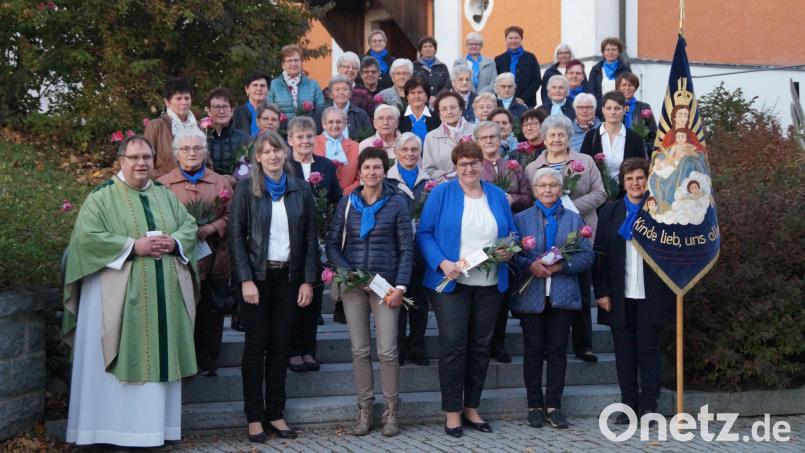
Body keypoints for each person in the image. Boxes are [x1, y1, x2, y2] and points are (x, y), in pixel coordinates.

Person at [63, 135, 198, 447]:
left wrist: (174, 241)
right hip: (114, 298)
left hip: (163, 299)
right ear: (121, 160)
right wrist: (131, 246)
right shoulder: (102, 196)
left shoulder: (165, 194)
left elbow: (188, 226)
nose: (141, 164)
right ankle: (105, 430)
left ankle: (154, 431)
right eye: (135, 157)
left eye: (147, 158)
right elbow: (85, 239)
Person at [416, 141, 518, 438]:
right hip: (452, 283)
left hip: (489, 285)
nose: (470, 168)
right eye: (463, 164)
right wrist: (442, 262)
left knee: (480, 346)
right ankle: (451, 412)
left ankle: (472, 407)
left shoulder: (497, 195)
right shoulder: (441, 193)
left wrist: (508, 250)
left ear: (482, 165)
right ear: (455, 166)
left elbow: (511, 233)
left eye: (474, 163)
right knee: (453, 346)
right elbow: (424, 233)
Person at [229, 130, 318, 443]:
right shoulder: (245, 189)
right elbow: (236, 238)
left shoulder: (301, 190)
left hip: (289, 280)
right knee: (256, 347)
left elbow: (309, 240)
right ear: (257, 157)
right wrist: (246, 279)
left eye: (277, 150)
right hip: (257, 280)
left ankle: (276, 413)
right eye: (266, 151)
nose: (273, 156)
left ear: (285, 153)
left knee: (281, 346)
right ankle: (254, 417)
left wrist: (308, 280)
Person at [325, 147, 414, 437]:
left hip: (386, 287)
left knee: (387, 350)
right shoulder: (348, 202)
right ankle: (365, 409)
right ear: (360, 172)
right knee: (360, 350)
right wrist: (349, 272)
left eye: (377, 167)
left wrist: (400, 286)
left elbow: (406, 248)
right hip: (354, 286)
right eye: (367, 168)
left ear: (383, 171)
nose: (372, 172)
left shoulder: (397, 203)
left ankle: (391, 411)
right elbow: (332, 244)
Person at [511, 167, 594, 429]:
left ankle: (554, 405)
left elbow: (587, 256)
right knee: (533, 351)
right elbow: (512, 253)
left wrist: (562, 267)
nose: (548, 190)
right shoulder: (521, 219)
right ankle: (534, 404)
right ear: (534, 190)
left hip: (563, 295)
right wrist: (528, 265)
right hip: (531, 295)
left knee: (558, 352)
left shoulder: (573, 219)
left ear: (561, 189)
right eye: (542, 186)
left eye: (553, 186)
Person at [593, 158, 674, 423]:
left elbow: (673, 255)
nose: (635, 183)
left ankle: (649, 405)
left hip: (652, 295)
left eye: (640, 178)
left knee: (648, 351)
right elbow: (600, 255)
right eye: (629, 179)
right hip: (620, 295)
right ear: (623, 182)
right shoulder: (610, 212)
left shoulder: (661, 212)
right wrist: (602, 292)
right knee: (624, 354)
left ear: (647, 181)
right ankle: (628, 405)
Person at [525, 115, 606, 362]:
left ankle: (583, 344)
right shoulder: (532, 168)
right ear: (544, 138)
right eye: (552, 135)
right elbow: (534, 202)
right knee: (547, 295)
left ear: (569, 137)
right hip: (543, 240)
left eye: (561, 134)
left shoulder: (585, 161)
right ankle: (550, 344)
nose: (557, 139)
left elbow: (601, 193)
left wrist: (569, 207)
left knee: (580, 291)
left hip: (579, 234)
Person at [158, 129, 233, 377]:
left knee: (211, 312)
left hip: (214, 257)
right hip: (180, 260)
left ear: (204, 152)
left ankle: (208, 360)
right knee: (183, 310)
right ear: (177, 154)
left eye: (197, 148)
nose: (192, 153)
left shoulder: (220, 182)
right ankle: (183, 361)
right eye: (186, 149)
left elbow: (233, 215)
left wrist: (213, 226)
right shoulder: (164, 184)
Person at [286, 116, 342, 372]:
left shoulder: (326, 165)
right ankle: (292, 350)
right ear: (290, 140)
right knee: (293, 298)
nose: (305, 141)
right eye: (300, 137)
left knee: (314, 297)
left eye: (309, 136)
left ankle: (308, 349)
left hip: (318, 242)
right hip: (289, 243)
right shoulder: (284, 165)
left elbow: (336, 200)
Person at [385, 133, 431, 367]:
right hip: (396, 252)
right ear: (396, 152)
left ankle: (417, 346)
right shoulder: (387, 180)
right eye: (405, 150)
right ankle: (399, 347)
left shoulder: (429, 181)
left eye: (415, 150)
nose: (410, 154)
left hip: (422, 251)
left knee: (420, 303)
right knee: (398, 302)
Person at [580, 91, 647, 195]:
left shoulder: (634, 138)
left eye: (617, 108)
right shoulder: (591, 136)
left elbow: (641, 168)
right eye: (608, 108)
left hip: (626, 196)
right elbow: (584, 167)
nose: (613, 112)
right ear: (602, 110)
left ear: (624, 110)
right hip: (597, 195)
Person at [145, 77, 197, 177]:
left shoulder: (198, 126)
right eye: (178, 98)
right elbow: (146, 164)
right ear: (167, 102)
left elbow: (207, 162)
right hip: (166, 187)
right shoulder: (155, 127)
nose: (184, 102)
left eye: (187, 98)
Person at [422, 91, 475, 180]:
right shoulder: (431, 137)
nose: (449, 112)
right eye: (444, 109)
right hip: (446, 186)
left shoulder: (476, 131)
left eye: (453, 107)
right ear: (439, 114)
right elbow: (428, 170)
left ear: (461, 110)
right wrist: (449, 177)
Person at [267, 44, 325, 121]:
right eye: (289, 61)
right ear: (283, 65)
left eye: (296, 60)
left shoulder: (313, 85)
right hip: (280, 130)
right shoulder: (273, 85)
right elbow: (267, 109)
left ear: (302, 63)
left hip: (307, 130)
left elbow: (321, 110)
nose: (293, 64)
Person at [313, 107, 361, 195]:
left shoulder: (356, 147)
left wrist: (344, 194)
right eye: (330, 122)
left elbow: (360, 177)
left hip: (347, 198)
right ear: (324, 124)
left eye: (338, 122)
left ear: (345, 124)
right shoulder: (312, 143)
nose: (335, 126)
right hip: (317, 198)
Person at [204, 87, 251, 175]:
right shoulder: (200, 138)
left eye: (225, 107)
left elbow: (247, 167)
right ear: (209, 111)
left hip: (237, 186)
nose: (221, 111)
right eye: (216, 107)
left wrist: (234, 179)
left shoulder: (244, 139)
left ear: (232, 110)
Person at [314, 75, 373, 141]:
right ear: (331, 94)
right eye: (337, 89)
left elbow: (369, 138)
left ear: (350, 93)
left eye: (345, 89)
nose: (341, 92)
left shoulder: (361, 114)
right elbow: (315, 138)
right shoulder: (321, 113)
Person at [494, 26, 541, 107]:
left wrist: (523, 98)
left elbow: (537, 80)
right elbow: (496, 81)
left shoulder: (530, 57)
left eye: (516, 38)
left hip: (527, 103)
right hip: (503, 102)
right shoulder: (499, 59)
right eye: (510, 38)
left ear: (521, 39)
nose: (513, 41)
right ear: (506, 40)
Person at [617, 72, 657, 156]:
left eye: (630, 85)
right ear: (619, 87)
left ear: (635, 87)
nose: (627, 88)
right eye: (623, 85)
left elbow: (654, 133)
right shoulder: (613, 107)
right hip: (618, 150)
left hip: (639, 151)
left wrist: (645, 147)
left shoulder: (644, 107)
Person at [588, 37, 632, 107]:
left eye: (614, 50)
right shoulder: (596, 70)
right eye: (608, 50)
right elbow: (591, 91)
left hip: (620, 107)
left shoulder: (625, 70)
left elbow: (629, 89)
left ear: (619, 52)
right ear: (603, 52)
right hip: (600, 108)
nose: (610, 52)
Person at [398, 77, 441, 145]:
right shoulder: (399, 118)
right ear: (407, 97)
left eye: (420, 92)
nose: (416, 96)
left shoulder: (437, 118)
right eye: (412, 93)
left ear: (427, 96)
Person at [413, 36, 452, 105]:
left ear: (435, 50)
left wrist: (436, 97)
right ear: (420, 50)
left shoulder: (442, 67)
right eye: (424, 46)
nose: (428, 49)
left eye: (430, 46)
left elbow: (447, 85)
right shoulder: (414, 66)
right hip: (420, 102)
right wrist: (425, 96)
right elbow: (411, 85)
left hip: (439, 102)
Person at [232, 72, 270, 137]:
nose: (259, 88)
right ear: (247, 89)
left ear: (268, 90)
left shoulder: (275, 113)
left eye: (262, 86)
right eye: (255, 85)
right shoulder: (236, 113)